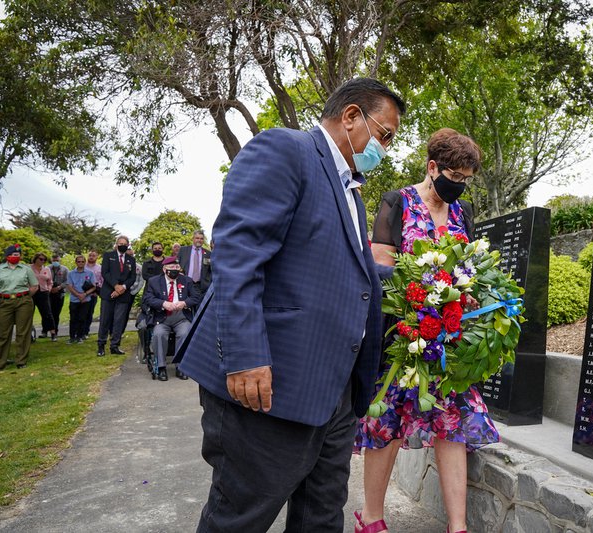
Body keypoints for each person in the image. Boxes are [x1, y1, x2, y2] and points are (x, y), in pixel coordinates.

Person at [177, 78, 405, 532]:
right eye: (385, 135)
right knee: (241, 515)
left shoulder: (351, 192)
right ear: (352, 116)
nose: (386, 149)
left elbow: (345, 271)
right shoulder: (285, 149)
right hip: (267, 384)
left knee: (321, 517)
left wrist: (421, 283)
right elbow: (240, 254)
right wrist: (245, 356)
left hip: (332, 391)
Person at [354, 128, 497, 533]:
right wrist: (425, 298)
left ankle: (457, 526)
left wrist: (463, 296)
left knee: (453, 422)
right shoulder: (396, 202)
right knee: (388, 426)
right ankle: (372, 518)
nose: (460, 185)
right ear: (432, 167)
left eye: (467, 178)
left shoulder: (462, 211)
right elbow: (382, 269)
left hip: (448, 340)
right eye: (455, 175)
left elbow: (470, 264)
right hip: (404, 336)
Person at [142, 256, 200, 381]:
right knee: (159, 335)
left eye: (177, 267)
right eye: (171, 267)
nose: (175, 269)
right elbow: (147, 298)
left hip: (181, 316)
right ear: (164, 269)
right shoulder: (154, 281)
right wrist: (163, 303)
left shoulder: (187, 280)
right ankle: (161, 367)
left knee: (185, 333)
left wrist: (184, 303)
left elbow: (196, 297)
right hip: (162, 317)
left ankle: (181, 366)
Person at [0, 245, 39, 370]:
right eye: (14, 255)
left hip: (23, 301)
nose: (16, 257)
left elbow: (34, 286)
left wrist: (25, 297)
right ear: (7, 256)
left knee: (23, 332)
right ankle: (1, 361)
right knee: (3, 333)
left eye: (18, 255)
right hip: (4, 302)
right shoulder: (0, 269)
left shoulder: (26, 269)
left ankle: (21, 361)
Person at [97, 236, 136, 356]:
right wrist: (115, 286)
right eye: (120, 243)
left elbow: (132, 277)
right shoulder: (108, 256)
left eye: (125, 243)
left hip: (123, 295)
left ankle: (115, 345)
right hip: (109, 293)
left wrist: (122, 288)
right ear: (116, 244)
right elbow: (105, 273)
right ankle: (101, 345)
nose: (122, 245)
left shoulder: (131, 259)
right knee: (105, 320)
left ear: (128, 245)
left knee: (119, 321)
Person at [66, 255, 96, 344]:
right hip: (74, 299)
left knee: (82, 318)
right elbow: (69, 286)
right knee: (73, 318)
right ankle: (72, 337)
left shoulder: (90, 273)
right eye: (79, 261)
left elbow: (94, 286)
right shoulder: (71, 273)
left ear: (85, 262)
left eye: (82, 261)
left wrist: (85, 294)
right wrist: (78, 295)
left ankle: (80, 336)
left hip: (86, 299)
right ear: (76, 262)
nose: (81, 263)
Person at [177, 230, 211, 299]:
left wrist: (207, 283)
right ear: (193, 239)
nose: (199, 240)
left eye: (201, 238)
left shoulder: (208, 253)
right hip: (185, 283)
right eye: (197, 238)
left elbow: (210, 271)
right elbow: (177, 264)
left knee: (199, 308)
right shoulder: (183, 250)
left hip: (201, 286)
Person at [30, 252, 57, 341]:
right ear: (36, 259)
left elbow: (50, 282)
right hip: (31, 293)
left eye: (44, 260)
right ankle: (30, 334)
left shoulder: (46, 269)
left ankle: (53, 333)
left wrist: (48, 289)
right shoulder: (29, 268)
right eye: (41, 259)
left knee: (47, 313)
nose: (42, 261)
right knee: (29, 313)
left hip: (43, 293)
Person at [48, 252, 69, 340]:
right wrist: (50, 288)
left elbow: (67, 281)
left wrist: (59, 287)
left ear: (60, 260)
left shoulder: (65, 269)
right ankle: (45, 331)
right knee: (48, 313)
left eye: (57, 260)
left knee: (56, 313)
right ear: (51, 260)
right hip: (49, 292)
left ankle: (55, 331)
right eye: (54, 260)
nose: (55, 262)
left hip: (60, 293)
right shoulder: (47, 268)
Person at [84, 249, 103, 338]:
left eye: (93, 255)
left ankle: (85, 331)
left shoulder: (100, 268)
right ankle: (78, 331)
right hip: (82, 293)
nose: (91, 257)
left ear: (97, 257)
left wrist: (98, 290)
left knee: (89, 313)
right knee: (80, 313)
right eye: (90, 255)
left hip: (94, 294)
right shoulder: (83, 266)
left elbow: (102, 281)